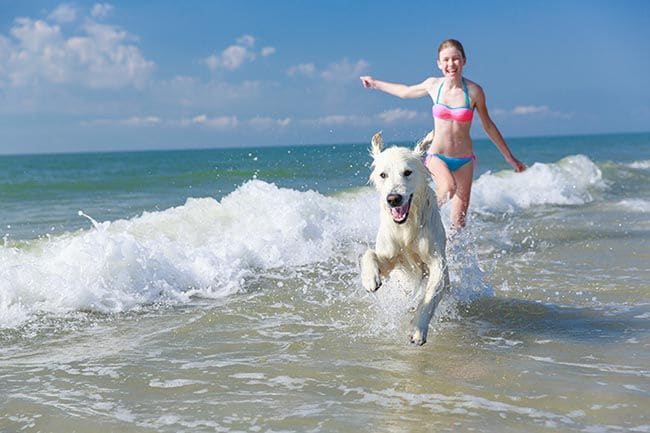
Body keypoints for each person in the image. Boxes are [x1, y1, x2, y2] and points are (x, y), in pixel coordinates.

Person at [360, 39, 526, 230]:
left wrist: (510, 158)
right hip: (437, 156)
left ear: (464, 60)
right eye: (445, 60)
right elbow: (404, 91)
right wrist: (374, 83)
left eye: (455, 59)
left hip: (464, 160)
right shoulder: (434, 86)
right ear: (439, 63)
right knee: (448, 188)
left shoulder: (474, 91)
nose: (450, 64)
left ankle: (451, 255)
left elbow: (488, 126)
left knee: (459, 220)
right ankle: (416, 221)